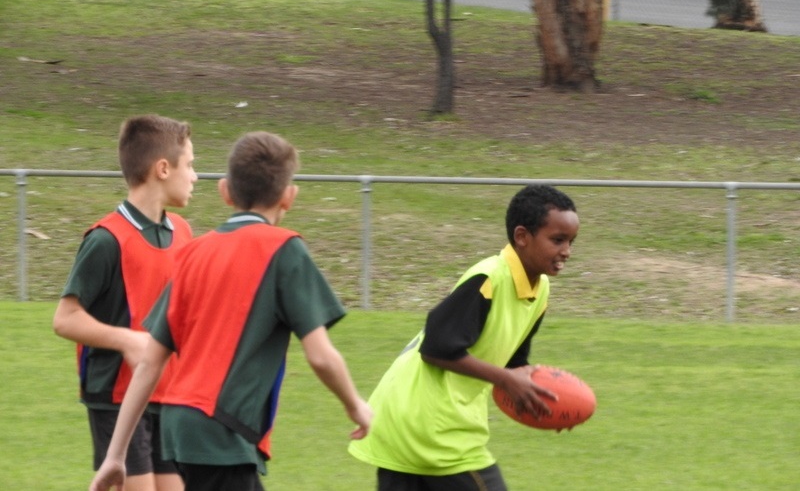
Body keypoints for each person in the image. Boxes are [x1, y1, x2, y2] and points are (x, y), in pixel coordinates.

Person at [89, 131, 373, 491]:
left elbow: (150, 360)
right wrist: (356, 406)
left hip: (179, 426)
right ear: (289, 196)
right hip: (220, 431)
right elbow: (320, 356)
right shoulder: (284, 250)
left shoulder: (195, 251)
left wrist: (116, 455)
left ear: (225, 191)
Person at [348, 184, 580, 491]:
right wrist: (507, 380)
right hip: (431, 425)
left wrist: (549, 403)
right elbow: (436, 348)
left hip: (403, 420)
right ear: (522, 237)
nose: (566, 251)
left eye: (571, 241)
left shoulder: (539, 291)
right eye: (557, 240)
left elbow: (513, 364)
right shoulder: (490, 278)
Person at [53, 114, 197, 491]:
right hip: (117, 398)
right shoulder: (105, 240)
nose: (196, 176)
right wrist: (127, 340)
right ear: (163, 169)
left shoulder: (182, 232)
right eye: (191, 164)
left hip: (169, 395)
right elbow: (65, 319)